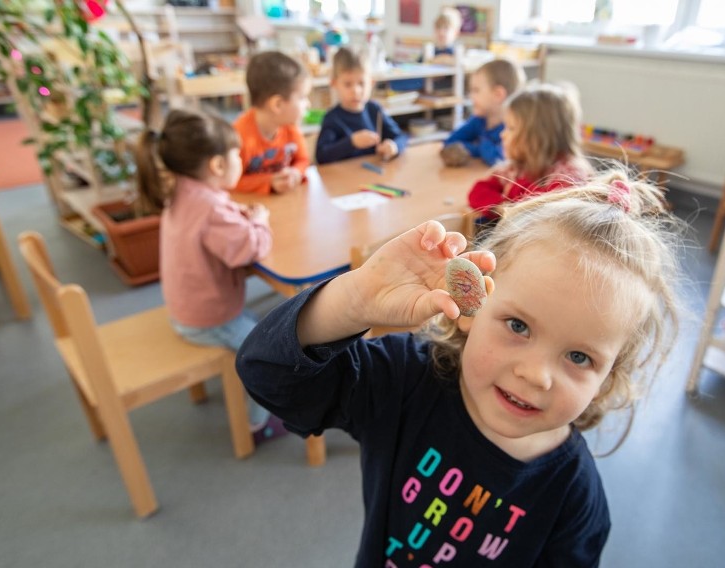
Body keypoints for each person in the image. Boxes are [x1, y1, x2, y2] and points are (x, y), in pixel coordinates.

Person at [236, 171, 683, 565]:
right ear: (471, 305)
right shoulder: (404, 383)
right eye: (518, 325)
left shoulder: (574, 498)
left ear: (609, 376)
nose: (536, 375)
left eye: (580, 357)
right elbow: (267, 373)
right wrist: (353, 300)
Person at [136, 108, 285, 445]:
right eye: (237, 155)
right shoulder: (210, 209)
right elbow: (252, 247)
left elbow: (215, 221)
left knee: (263, 324)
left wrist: (240, 214)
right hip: (207, 318)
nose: (241, 160)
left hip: (187, 307)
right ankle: (257, 426)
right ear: (217, 165)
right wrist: (259, 218)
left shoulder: (184, 192)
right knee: (270, 357)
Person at [468, 82, 594, 220]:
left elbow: (539, 218)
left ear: (537, 136)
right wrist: (501, 206)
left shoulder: (569, 177)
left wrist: (510, 205)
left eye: (511, 128)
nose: (502, 135)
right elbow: (477, 191)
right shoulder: (519, 165)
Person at [232, 50, 311, 195]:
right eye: (302, 98)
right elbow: (230, 182)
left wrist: (295, 172)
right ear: (278, 105)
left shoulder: (290, 128)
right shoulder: (237, 137)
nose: (308, 104)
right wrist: (269, 182)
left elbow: (303, 160)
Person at [315, 47, 408, 165]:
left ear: (371, 83)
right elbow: (321, 156)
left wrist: (394, 146)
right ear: (334, 84)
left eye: (362, 83)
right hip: (342, 179)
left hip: (374, 175)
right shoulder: (332, 118)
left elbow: (401, 136)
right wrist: (351, 142)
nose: (356, 91)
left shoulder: (375, 110)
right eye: (348, 84)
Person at [441, 58, 525, 167]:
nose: (471, 96)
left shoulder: (512, 128)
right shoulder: (479, 120)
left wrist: (475, 147)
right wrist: (477, 148)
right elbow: (451, 142)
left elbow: (498, 158)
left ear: (498, 94)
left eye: (476, 90)